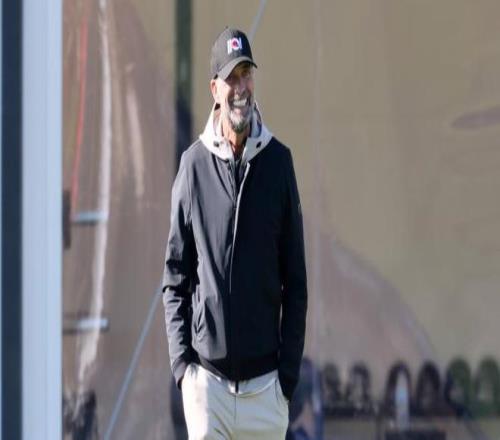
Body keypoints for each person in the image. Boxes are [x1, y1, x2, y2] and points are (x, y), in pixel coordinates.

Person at [162, 27, 307, 440]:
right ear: (215, 89)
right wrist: (183, 370)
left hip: (266, 394)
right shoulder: (193, 167)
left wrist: (285, 381)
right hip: (208, 390)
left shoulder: (279, 163)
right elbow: (175, 277)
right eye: (231, 78)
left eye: (246, 75)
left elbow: (296, 282)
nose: (240, 88)